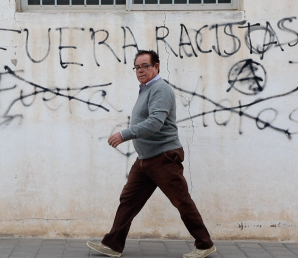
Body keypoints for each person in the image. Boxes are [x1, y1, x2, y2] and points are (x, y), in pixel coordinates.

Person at [87, 50, 216, 258]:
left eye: (145, 66)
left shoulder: (161, 89)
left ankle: (204, 244)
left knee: (182, 201)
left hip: (164, 158)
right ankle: (113, 245)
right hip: (145, 160)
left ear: (156, 66)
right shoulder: (146, 89)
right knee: (128, 200)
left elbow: (156, 123)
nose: (140, 70)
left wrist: (125, 134)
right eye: (137, 67)